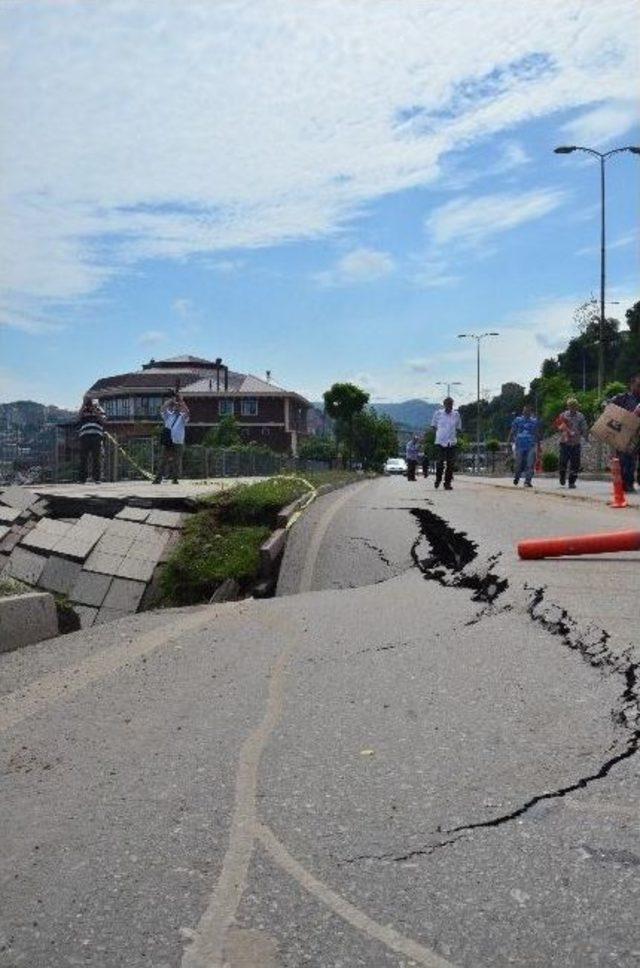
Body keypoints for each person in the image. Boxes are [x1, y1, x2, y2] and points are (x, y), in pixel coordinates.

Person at [611, 374, 640, 493]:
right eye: (639, 385)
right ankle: (627, 484)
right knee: (627, 461)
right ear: (632, 385)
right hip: (626, 435)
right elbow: (607, 408)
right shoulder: (622, 398)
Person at [154, 394, 190, 484]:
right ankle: (158, 478)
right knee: (163, 460)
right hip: (168, 441)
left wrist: (182, 402)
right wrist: (171, 400)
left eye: (178, 406)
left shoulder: (182, 417)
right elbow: (162, 409)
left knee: (177, 461)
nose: (176, 407)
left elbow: (187, 413)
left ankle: (175, 479)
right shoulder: (168, 416)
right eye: (175, 406)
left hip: (178, 441)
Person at [555, 397, 588, 489]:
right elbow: (558, 426)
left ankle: (572, 482)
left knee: (575, 464)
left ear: (577, 407)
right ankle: (562, 476)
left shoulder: (580, 416)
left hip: (575, 443)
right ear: (568, 406)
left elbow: (584, 427)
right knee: (563, 462)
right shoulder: (563, 415)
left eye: (575, 406)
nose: (573, 407)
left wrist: (585, 435)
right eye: (571, 406)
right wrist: (563, 429)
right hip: (564, 443)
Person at [431, 397, 462, 490]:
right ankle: (438, 479)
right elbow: (433, 426)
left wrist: (455, 435)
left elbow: (459, 427)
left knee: (450, 464)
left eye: (451, 404)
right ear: (444, 405)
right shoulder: (438, 414)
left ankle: (447, 483)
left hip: (451, 442)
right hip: (440, 441)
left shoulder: (456, 414)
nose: (449, 406)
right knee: (440, 462)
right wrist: (439, 433)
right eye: (448, 404)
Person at [508, 404, 540, 488]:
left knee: (530, 464)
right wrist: (508, 443)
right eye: (525, 411)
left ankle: (527, 481)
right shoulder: (517, 420)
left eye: (528, 411)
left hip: (531, 445)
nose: (526, 412)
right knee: (518, 464)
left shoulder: (534, 421)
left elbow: (537, 433)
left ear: (530, 412)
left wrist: (539, 445)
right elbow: (512, 431)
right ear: (523, 411)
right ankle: (517, 476)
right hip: (520, 445)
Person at [77, 396, 105, 484]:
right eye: (87, 401)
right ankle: (82, 479)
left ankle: (97, 478)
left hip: (96, 435)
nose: (89, 403)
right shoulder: (83, 410)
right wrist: (83, 405)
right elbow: (77, 418)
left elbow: (103, 420)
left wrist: (95, 409)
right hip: (84, 435)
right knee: (83, 458)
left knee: (96, 457)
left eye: (89, 401)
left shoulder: (99, 409)